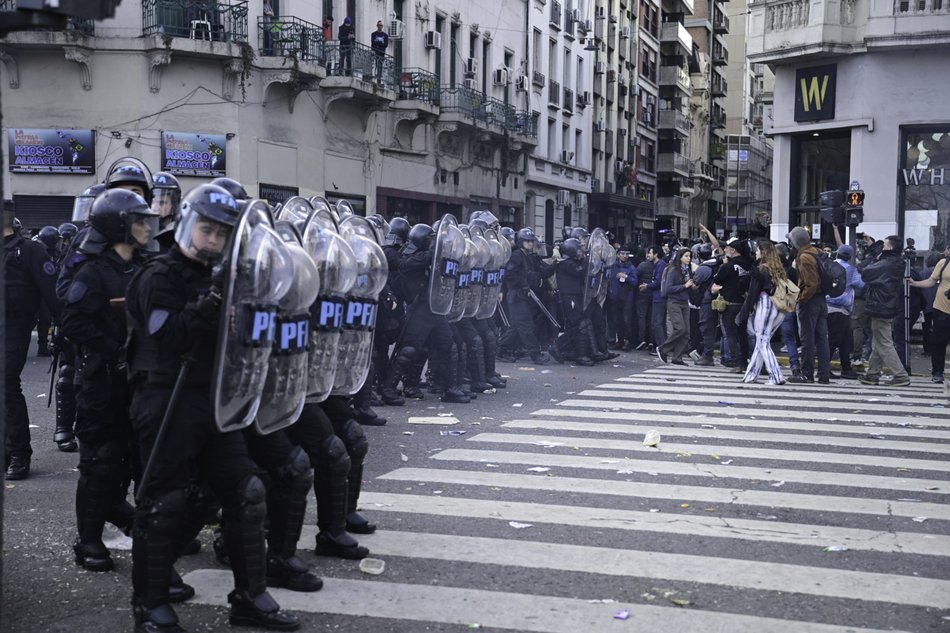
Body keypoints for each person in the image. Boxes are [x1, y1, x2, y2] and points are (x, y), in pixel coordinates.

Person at [125, 184, 300, 632]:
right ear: (186, 224)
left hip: (218, 400)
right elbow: (171, 337)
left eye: (222, 235)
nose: (215, 242)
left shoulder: (228, 275)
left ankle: (249, 596)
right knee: (164, 502)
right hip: (167, 398)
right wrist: (217, 298)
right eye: (207, 231)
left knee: (247, 492)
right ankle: (150, 605)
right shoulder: (157, 275)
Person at [61, 189, 157, 572]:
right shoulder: (93, 270)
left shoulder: (148, 265)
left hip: (142, 381)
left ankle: (141, 526)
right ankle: (88, 540)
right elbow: (72, 322)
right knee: (100, 460)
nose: (147, 227)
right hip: (104, 381)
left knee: (140, 459)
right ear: (118, 227)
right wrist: (115, 349)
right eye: (138, 221)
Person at [4, 201, 61, 480]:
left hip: (14, 326)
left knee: (6, 384)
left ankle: (19, 454)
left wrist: (63, 327)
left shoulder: (29, 251)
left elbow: (52, 293)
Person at [857, 235, 911, 387]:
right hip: (886, 304)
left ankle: (900, 375)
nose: (882, 247)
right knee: (878, 341)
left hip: (880, 305)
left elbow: (866, 272)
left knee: (884, 342)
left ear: (891, 248)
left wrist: (874, 258)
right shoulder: (895, 262)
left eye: (885, 245)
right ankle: (872, 374)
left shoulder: (887, 263)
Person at [737, 240, 788, 385]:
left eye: (758, 250)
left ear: (763, 253)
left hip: (765, 306)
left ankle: (776, 375)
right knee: (762, 341)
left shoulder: (760, 270)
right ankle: (751, 375)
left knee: (763, 341)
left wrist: (743, 314)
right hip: (779, 308)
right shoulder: (779, 270)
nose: (756, 252)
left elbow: (752, 294)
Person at [787, 227, 831, 384]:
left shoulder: (804, 257)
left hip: (810, 301)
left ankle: (807, 373)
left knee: (807, 339)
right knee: (822, 338)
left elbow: (811, 284)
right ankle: (824, 374)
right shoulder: (816, 251)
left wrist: (801, 300)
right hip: (821, 300)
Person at [911, 242, 950, 383]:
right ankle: (937, 372)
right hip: (941, 308)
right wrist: (914, 283)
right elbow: (931, 281)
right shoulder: (943, 263)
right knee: (938, 342)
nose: (946, 252)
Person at [711, 238, 753, 370]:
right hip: (744, 302)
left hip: (729, 302)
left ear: (733, 250)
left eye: (727, 248)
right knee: (742, 333)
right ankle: (744, 361)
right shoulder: (749, 265)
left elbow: (717, 280)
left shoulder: (728, 266)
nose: (725, 250)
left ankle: (736, 360)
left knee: (730, 334)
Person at [825, 244, 863, 379]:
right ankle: (825, 369)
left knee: (844, 340)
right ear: (850, 257)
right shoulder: (850, 270)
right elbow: (861, 285)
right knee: (835, 340)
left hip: (828, 306)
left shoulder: (829, 265)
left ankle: (846, 368)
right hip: (840, 308)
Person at [657, 247, 693, 365]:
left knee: (686, 332)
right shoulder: (673, 270)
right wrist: (685, 286)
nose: (688, 259)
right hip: (674, 302)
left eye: (690, 256)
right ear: (680, 257)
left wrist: (692, 286)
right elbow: (668, 289)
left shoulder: (687, 270)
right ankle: (663, 349)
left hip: (684, 302)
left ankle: (677, 357)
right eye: (686, 256)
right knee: (680, 328)